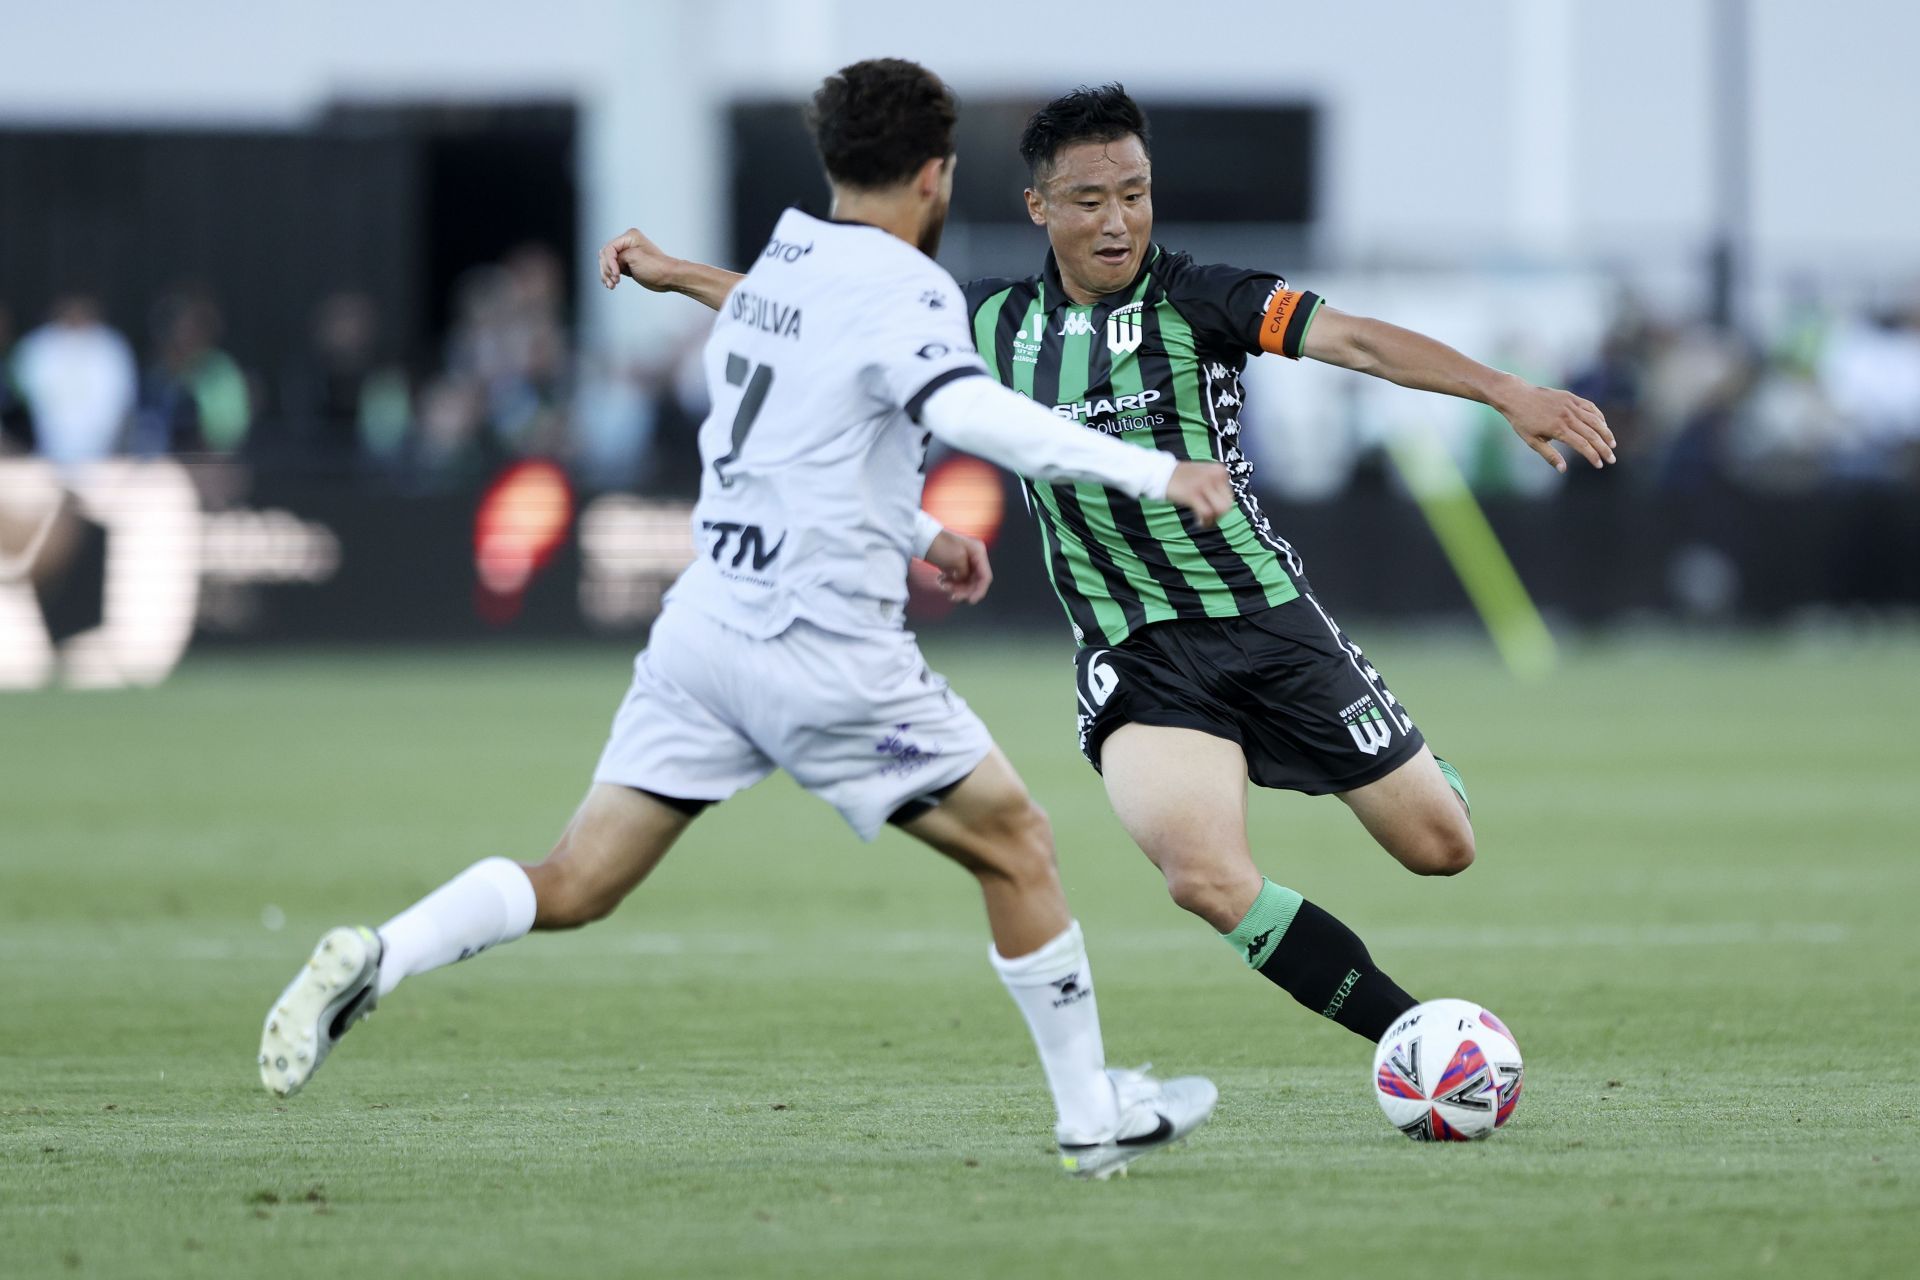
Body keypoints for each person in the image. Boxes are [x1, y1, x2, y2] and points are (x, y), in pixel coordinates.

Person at [261, 60, 1236, 1181]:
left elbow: (798, 436)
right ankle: (1090, 1115)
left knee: (575, 880)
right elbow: (968, 409)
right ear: (937, 175)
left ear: (834, 166)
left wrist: (921, 532)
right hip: (823, 649)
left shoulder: (788, 258)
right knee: (1018, 845)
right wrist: (1154, 469)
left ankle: (384, 954)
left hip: (706, 632)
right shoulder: (912, 286)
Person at [602, 83, 1617, 1054]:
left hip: (1266, 618)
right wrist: (681, 272)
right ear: (1042, 207)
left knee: (1442, 845)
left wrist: (1502, 390)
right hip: (1139, 659)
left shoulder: (1204, 299)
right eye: (1091, 199)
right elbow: (821, 326)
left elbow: (1353, 338)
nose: (1119, 218)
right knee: (1207, 878)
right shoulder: (991, 325)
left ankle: (1423, 774)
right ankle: (1413, 1036)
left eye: (1134, 193)